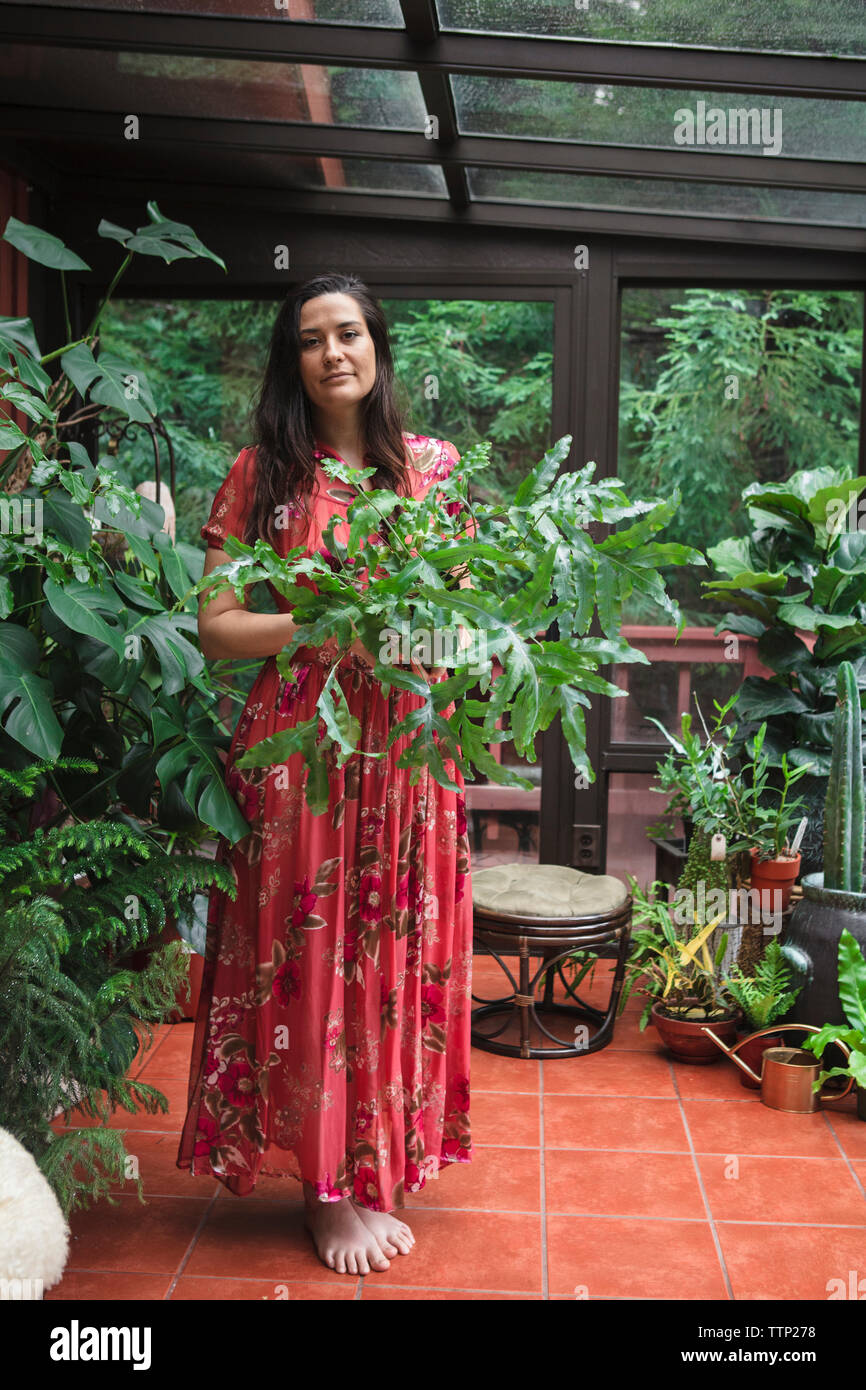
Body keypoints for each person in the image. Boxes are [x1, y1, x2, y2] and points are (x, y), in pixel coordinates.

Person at [177, 273, 475, 1277]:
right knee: (309, 960)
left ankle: (376, 1153)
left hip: (402, 753)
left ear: (376, 345)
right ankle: (325, 1190)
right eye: (310, 340)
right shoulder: (260, 473)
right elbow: (217, 631)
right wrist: (322, 623)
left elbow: (465, 623)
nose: (333, 352)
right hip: (301, 748)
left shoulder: (434, 469)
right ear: (291, 362)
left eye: (348, 332)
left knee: (393, 954)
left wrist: (414, 625)